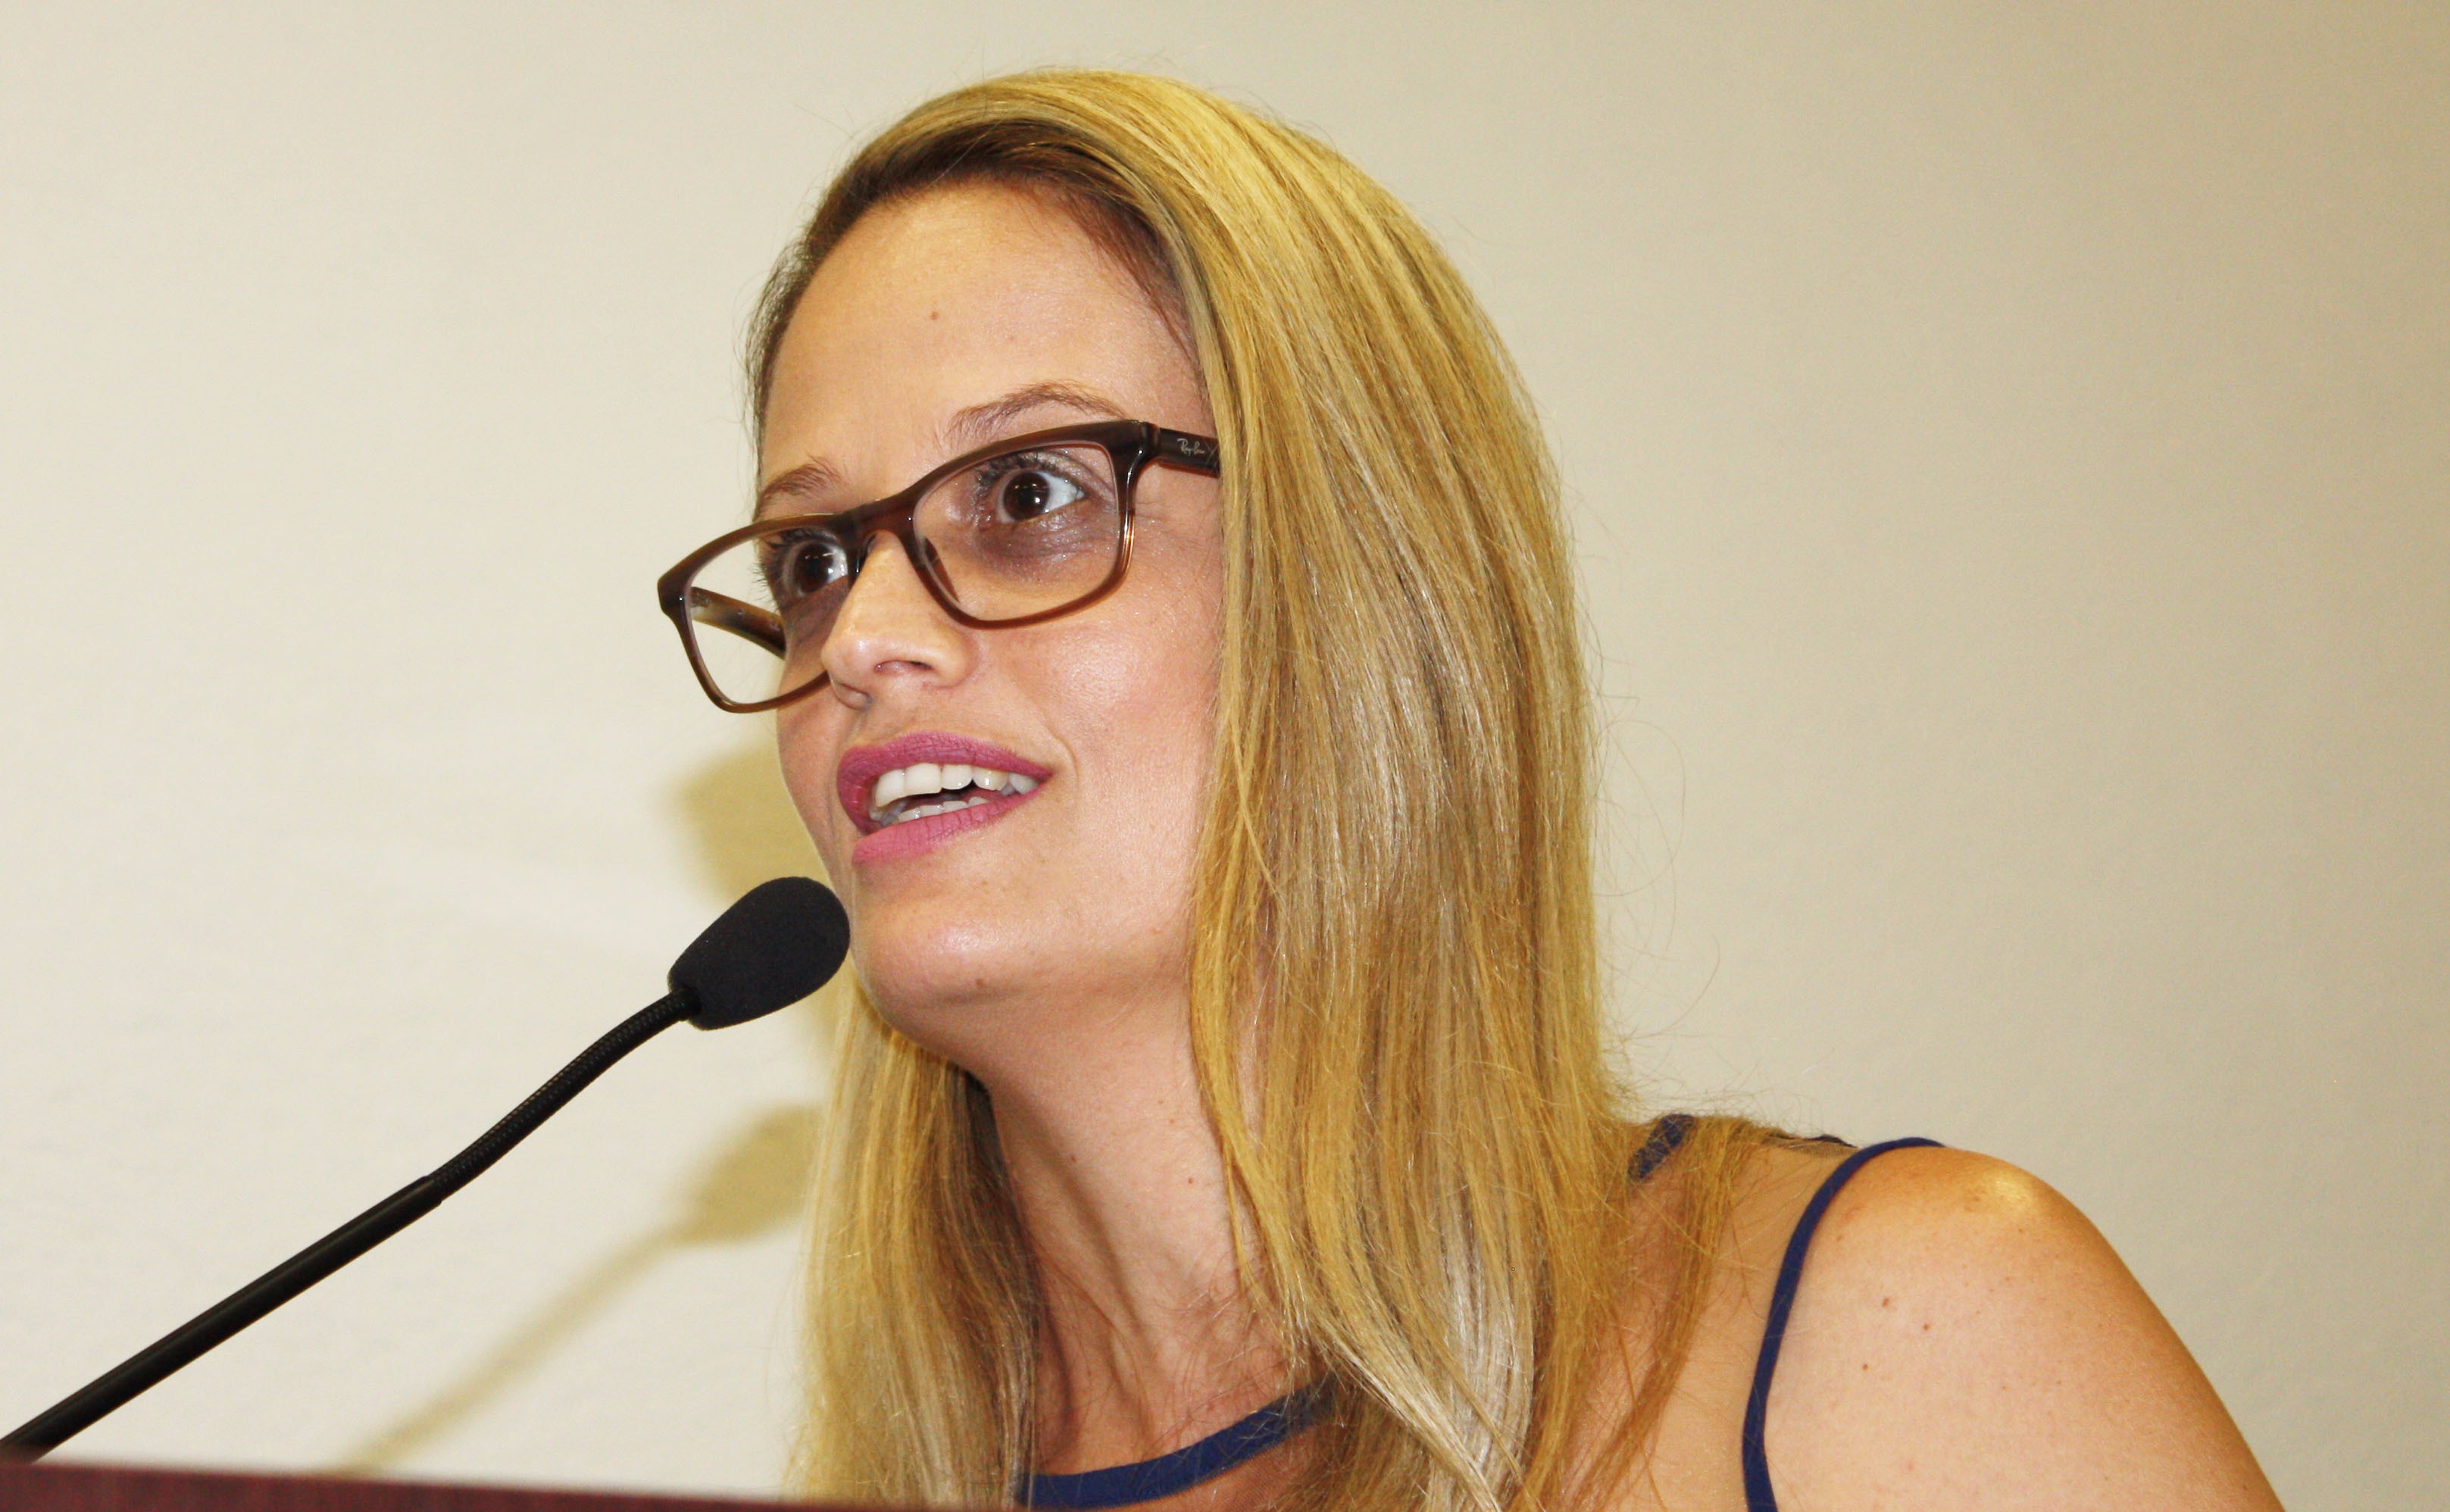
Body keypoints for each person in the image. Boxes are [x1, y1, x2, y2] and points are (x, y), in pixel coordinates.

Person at [655, 70, 2283, 1512]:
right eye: (812, 560)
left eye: (1027, 493)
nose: (863, 639)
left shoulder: (1899, 1339)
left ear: (1362, 579)